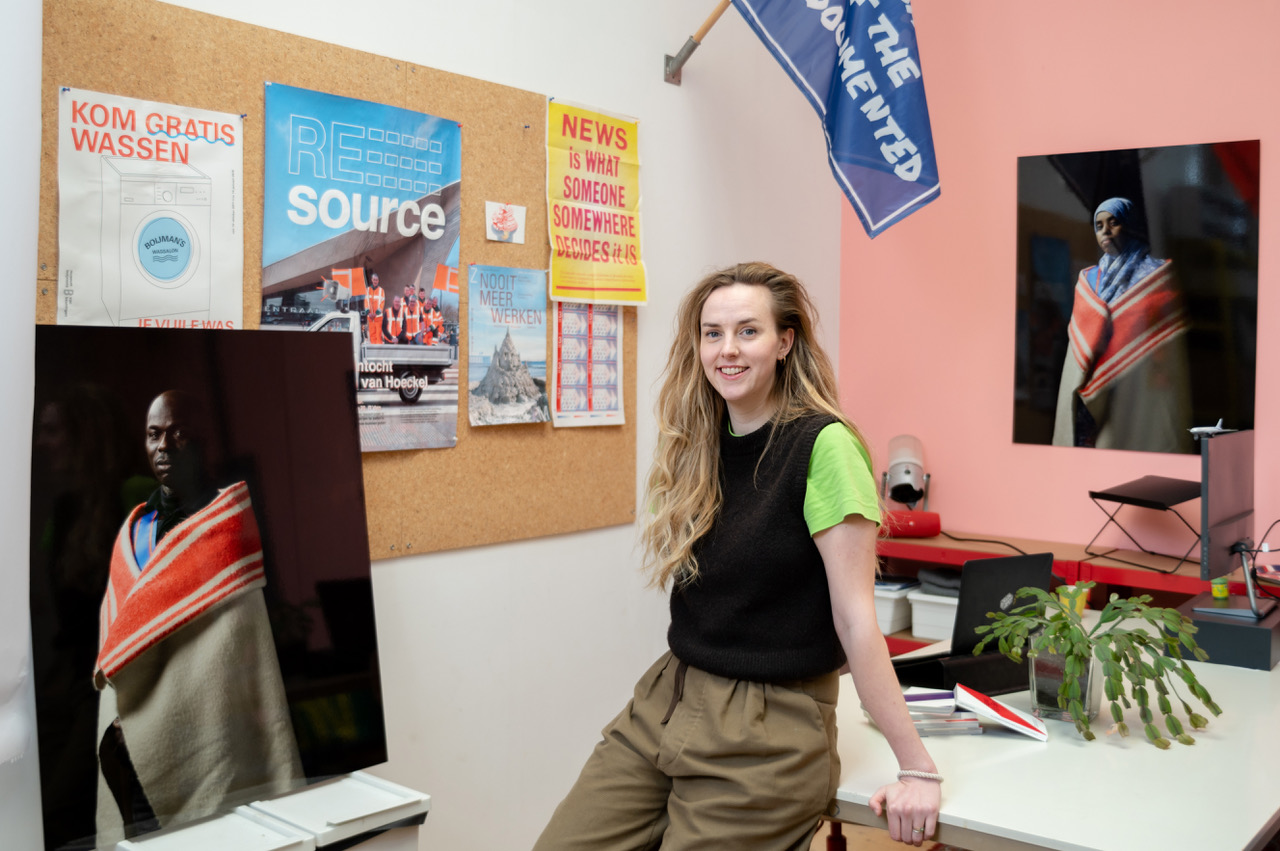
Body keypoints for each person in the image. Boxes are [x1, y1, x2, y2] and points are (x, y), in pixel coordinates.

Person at [534, 262, 941, 849]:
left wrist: (916, 766)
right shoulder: (694, 442)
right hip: (667, 697)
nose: (728, 349)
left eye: (749, 331)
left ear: (785, 342)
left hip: (765, 732)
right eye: (712, 333)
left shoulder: (823, 446)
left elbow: (856, 620)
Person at [93, 390, 303, 843]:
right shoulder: (133, 533)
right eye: (154, 435)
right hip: (132, 751)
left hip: (211, 742)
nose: (164, 447)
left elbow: (235, 651)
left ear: (203, 441)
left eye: (179, 434)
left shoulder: (226, 526)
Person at [1052, 197, 1192, 451]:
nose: (1105, 230)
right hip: (1093, 399)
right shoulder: (1088, 280)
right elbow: (1077, 356)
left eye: (1113, 222)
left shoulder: (1157, 277)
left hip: (1141, 390)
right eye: (1099, 225)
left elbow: (1167, 351)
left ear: (1129, 225)